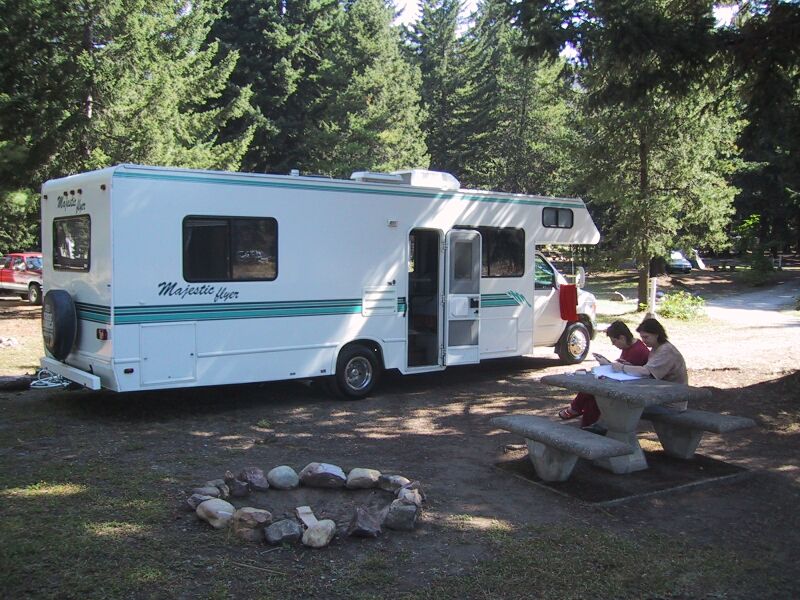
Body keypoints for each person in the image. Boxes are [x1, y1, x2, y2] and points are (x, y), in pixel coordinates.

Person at [557, 320, 650, 427]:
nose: (613, 344)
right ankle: (586, 425)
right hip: (626, 382)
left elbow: (628, 371)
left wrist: (608, 365)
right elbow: (623, 367)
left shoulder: (637, 350)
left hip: (633, 387)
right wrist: (608, 363)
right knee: (593, 397)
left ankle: (576, 410)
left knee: (594, 390)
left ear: (622, 338)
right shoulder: (628, 346)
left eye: (614, 341)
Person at [611, 317, 689, 411]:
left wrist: (622, 367)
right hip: (662, 398)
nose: (643, 340)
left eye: (646, 337)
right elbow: (648, 370)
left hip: (671, 405)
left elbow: (646, 371)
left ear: (656, 335)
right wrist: (629, 366)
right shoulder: (656, 348)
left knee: (626, 406)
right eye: (642, 337)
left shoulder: (666, 350)